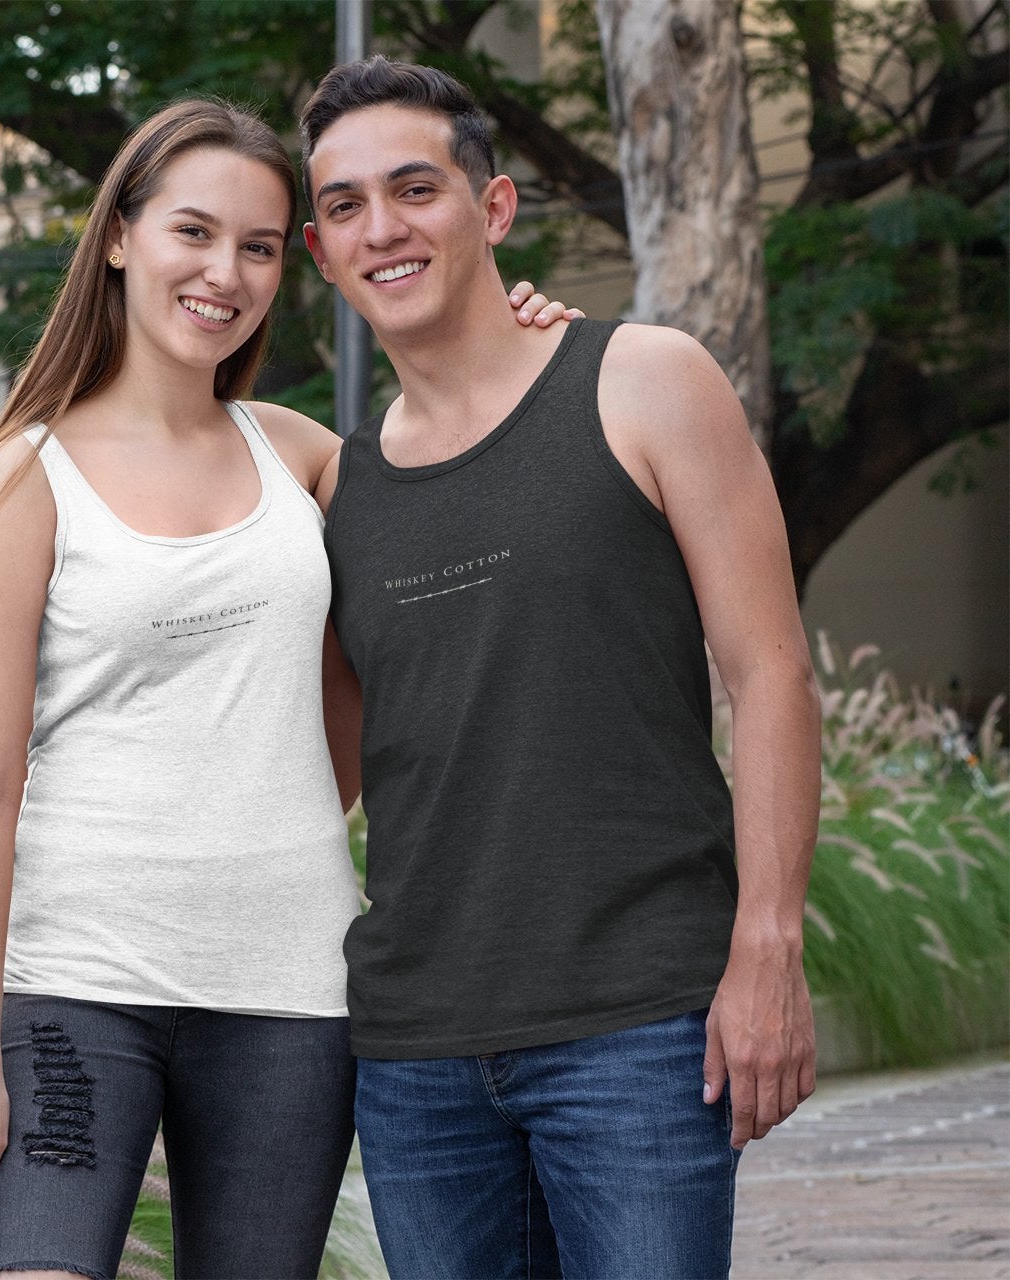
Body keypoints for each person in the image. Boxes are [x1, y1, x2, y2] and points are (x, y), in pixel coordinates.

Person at [0, 97, 574, 1280]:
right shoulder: (22, 479)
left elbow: (466, 456)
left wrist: (523, 326)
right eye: (194, 232)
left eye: (262, 246)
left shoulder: (309, 458)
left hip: (291, 997)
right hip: (77, 986)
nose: (226, 272)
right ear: (119, 236)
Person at [301, 56, 822, 1279]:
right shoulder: (331, 485)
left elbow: (775, 674)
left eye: (415, 188)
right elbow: (319, 783)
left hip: (637, 1029)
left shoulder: (643, 381)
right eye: (342, 206)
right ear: (320, 254)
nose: (382, 227)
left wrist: (769, 944)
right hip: (416, 1055)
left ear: (493, 210)